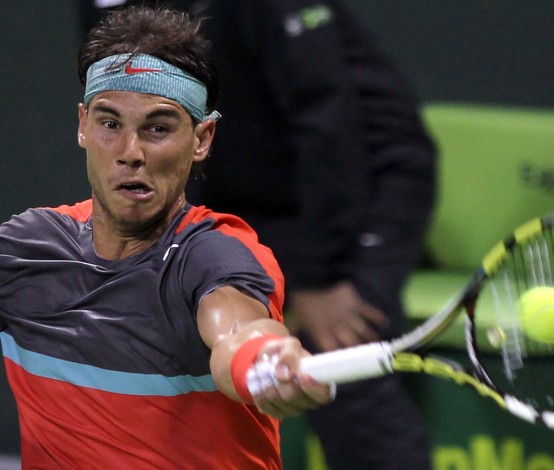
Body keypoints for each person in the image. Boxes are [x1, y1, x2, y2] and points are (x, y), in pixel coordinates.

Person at [80, 2, 437, 469]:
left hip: (363, 189)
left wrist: (320, 279)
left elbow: (330, 128)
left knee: (344, 365)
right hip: (255, 193)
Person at [0, 5, 334, 469]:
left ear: (202, 138)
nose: (130, 153)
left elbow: (239, 333)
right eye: (109, 124)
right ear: (82, 125)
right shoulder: (25, 253)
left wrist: (263, 362)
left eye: (157, 128)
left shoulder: (214, 255)